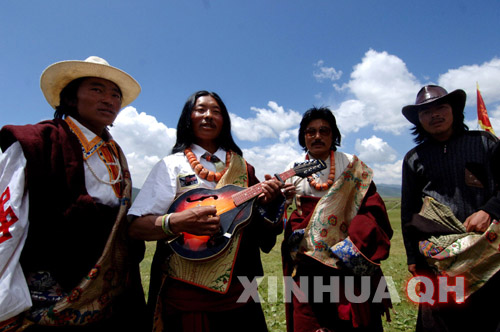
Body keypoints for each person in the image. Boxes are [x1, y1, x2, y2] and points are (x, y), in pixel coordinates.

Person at [0, 56, 147, 331]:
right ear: (70, 97)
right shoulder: (38, 142)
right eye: (96, 89)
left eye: (115, 94)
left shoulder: (115, 155)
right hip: (50, 296)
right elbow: (8, 222)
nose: (109, 100)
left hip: (111, 298)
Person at [128, 90, 285, 332]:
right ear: (187, 118)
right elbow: (136, 226)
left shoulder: (244, 168)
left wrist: (270, 202)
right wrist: (178, 221)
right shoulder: (171, 165)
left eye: (216, 111)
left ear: (225, 121)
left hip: (240, 288)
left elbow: (256, 227)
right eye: (200, 110)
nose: (208, 116)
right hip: (186, 291)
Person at [281, 107, 393, 332]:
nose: (317, 136)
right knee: (311, 320)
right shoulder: (292, 171)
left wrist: (351, 244)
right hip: (309, 261)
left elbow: (372, 208)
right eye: (310, 131)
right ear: (304, 137)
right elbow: (288, 216)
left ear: (334, 135)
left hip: (348, 257)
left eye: (324, 130)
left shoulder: (352, 165)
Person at [401, 85, 500, 331]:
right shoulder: (414, 159)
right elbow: (409, 211)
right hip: (438, 260)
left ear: (455, 110)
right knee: (440, 322)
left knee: (488, 318)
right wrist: (413, 257)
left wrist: (489, 210)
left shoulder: (485, 143)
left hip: (486, 253)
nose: (434, 114)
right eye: (426, 111)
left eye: (441, 107)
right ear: (419, 120)